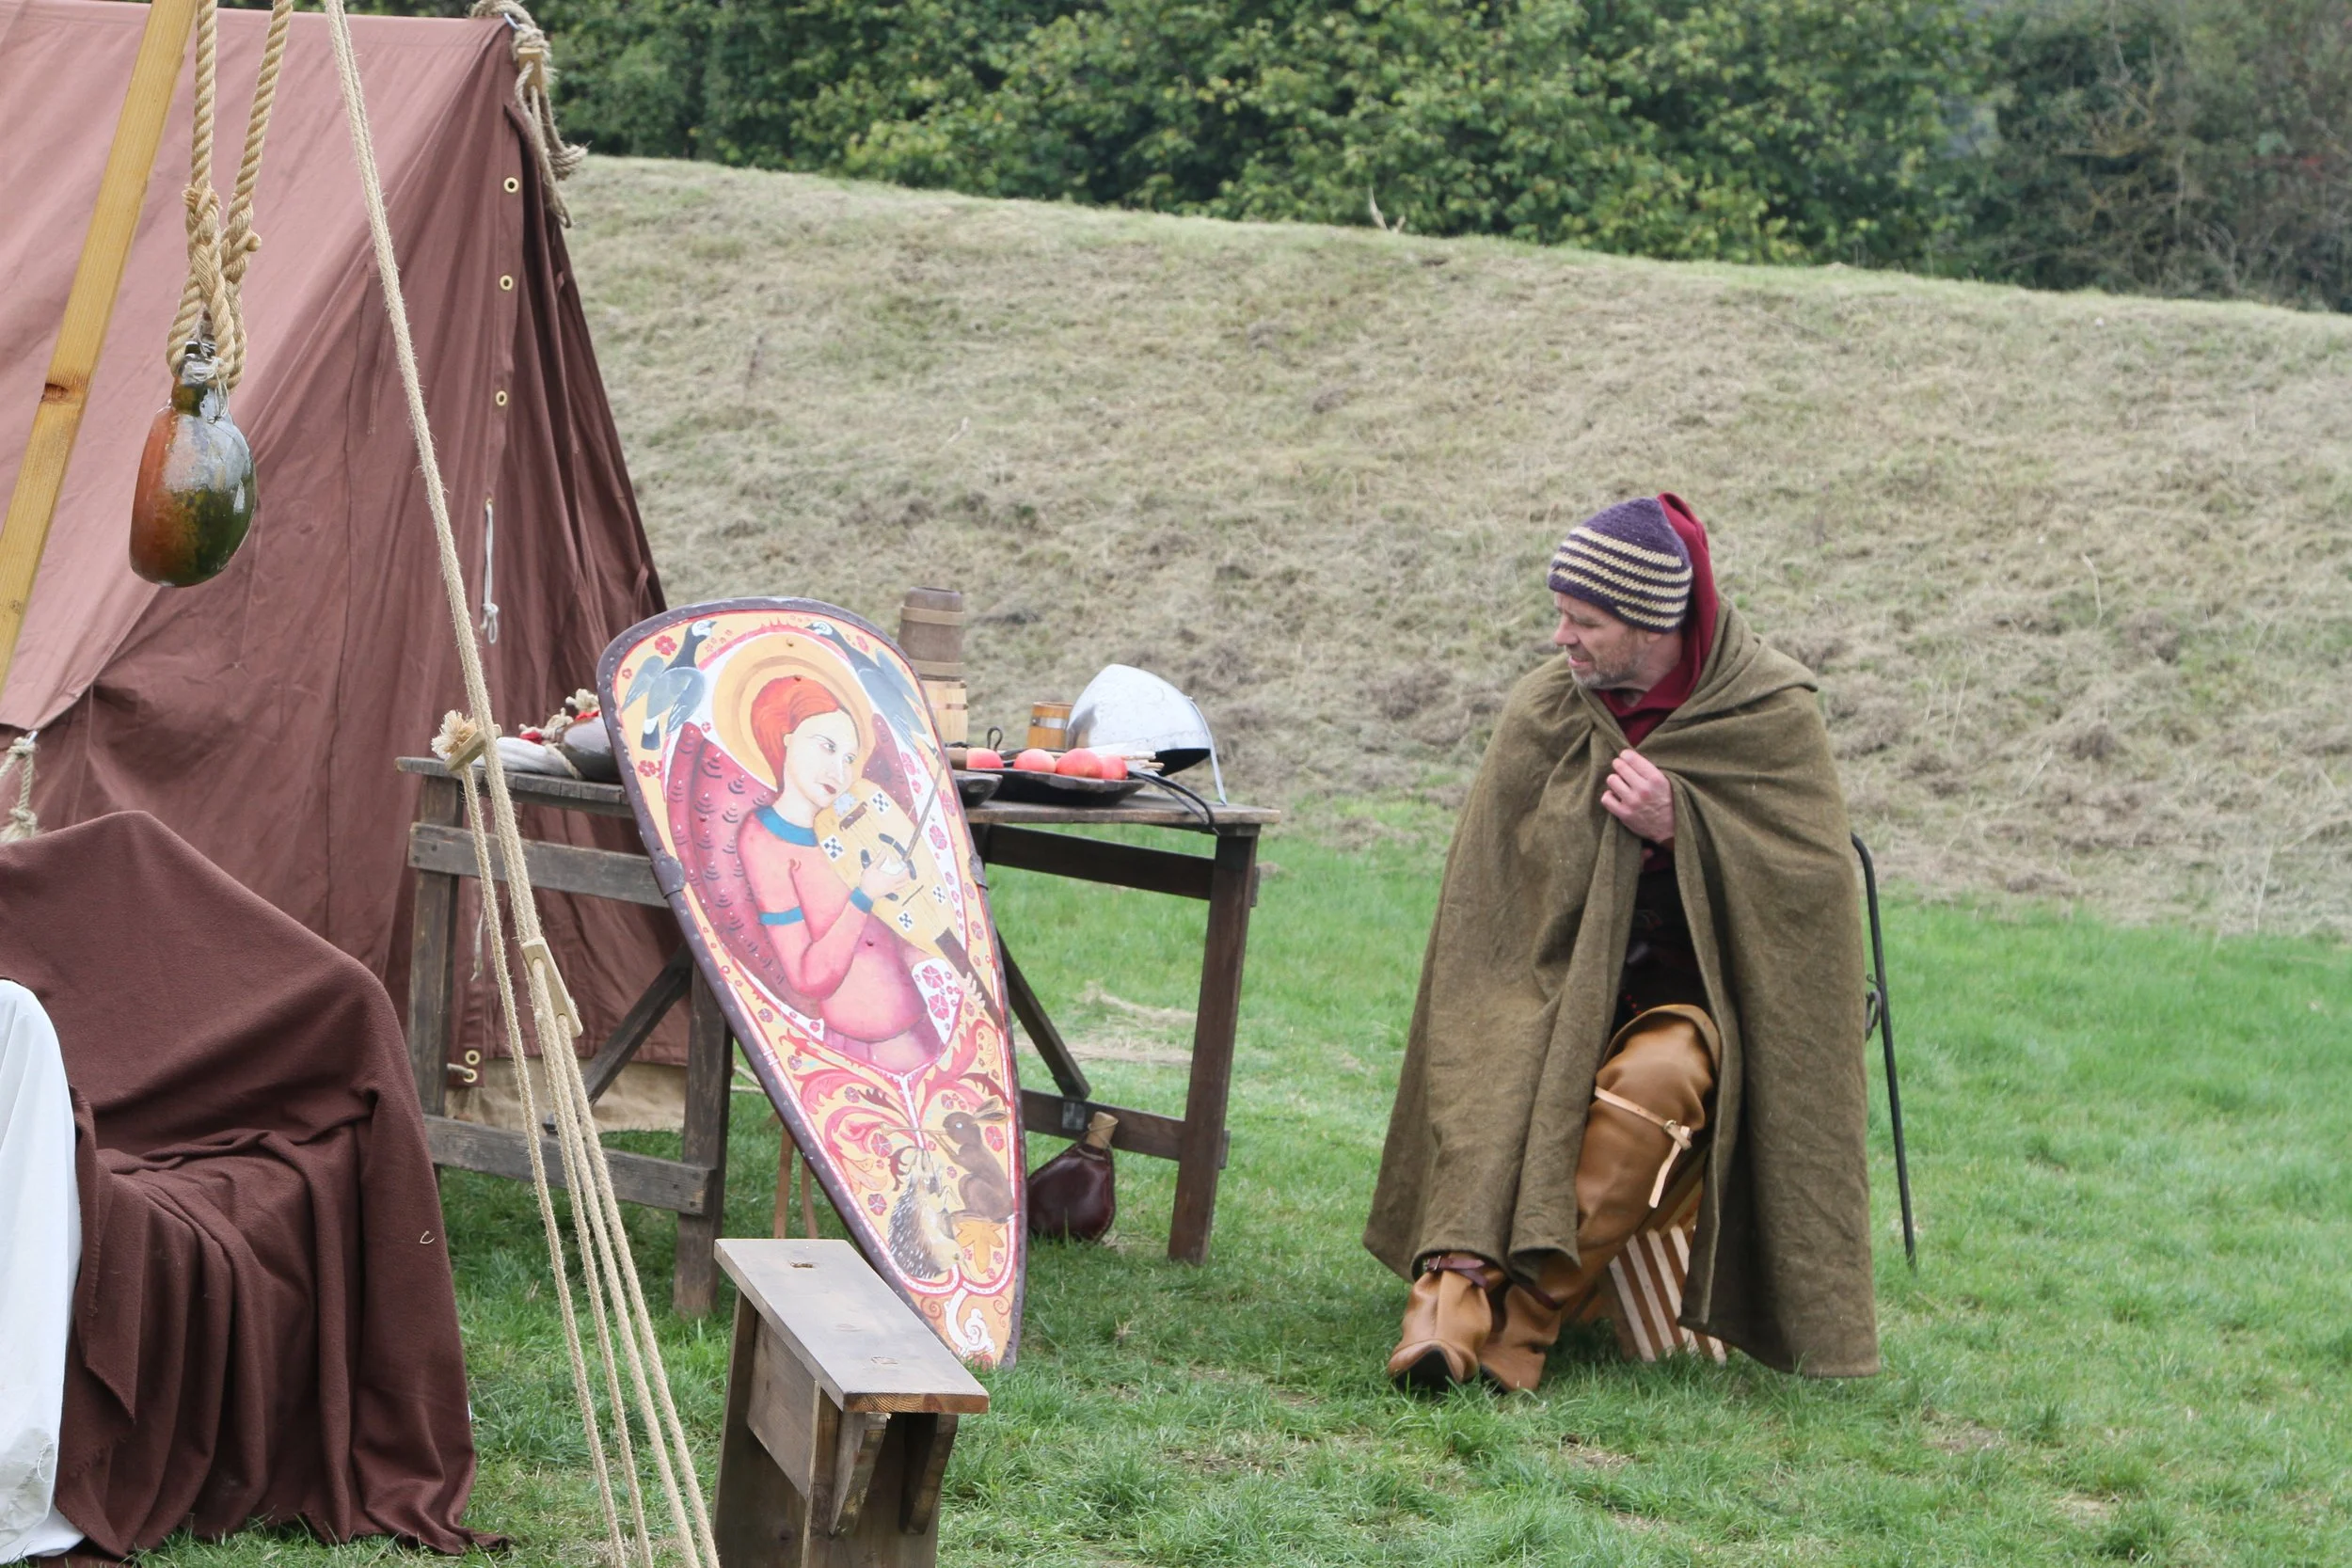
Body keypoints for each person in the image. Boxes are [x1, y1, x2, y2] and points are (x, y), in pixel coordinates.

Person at [1365, 494, 1879, 1392]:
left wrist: (1685, 825)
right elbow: (1492, 894)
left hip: (1689, 1001)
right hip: (1546, 982)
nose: (1561, 636)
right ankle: (1443, 1316)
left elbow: (1814, 885)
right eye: (1560, 612)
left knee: (1659, 1076)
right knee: (1497, 1068)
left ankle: (1525, 1320)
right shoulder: (1547, 705)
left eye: (1585, 621)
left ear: (1652, 624)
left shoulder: (1764, 712)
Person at [738, 675, 945, 1074]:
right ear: (786, 738)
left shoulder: (853, 824)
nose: (839, 770)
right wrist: (864, 896)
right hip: (857, 1048)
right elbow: (809, 978)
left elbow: (888, 942)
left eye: (849, 758)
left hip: (920, 1028)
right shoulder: (762, 840)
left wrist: (937, 954)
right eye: (827, 747)